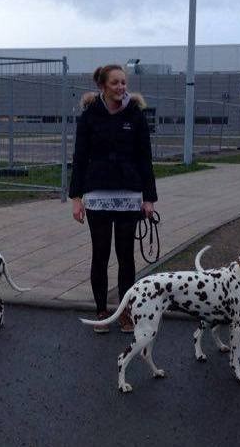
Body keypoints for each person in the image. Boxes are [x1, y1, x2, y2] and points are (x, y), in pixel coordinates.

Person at [69, 64, 157, 334]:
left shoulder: (136, 115)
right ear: (102, 86)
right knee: (100, 254)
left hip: (129, 194)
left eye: (123, 83)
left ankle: (125, 312)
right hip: (97, 194)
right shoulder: (89, 117)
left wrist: (148, 198)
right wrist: (75, 197)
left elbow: (145, 157)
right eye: (115, 83)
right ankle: (101, 311)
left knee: (126, 256)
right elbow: (80, 157)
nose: (121, 87)